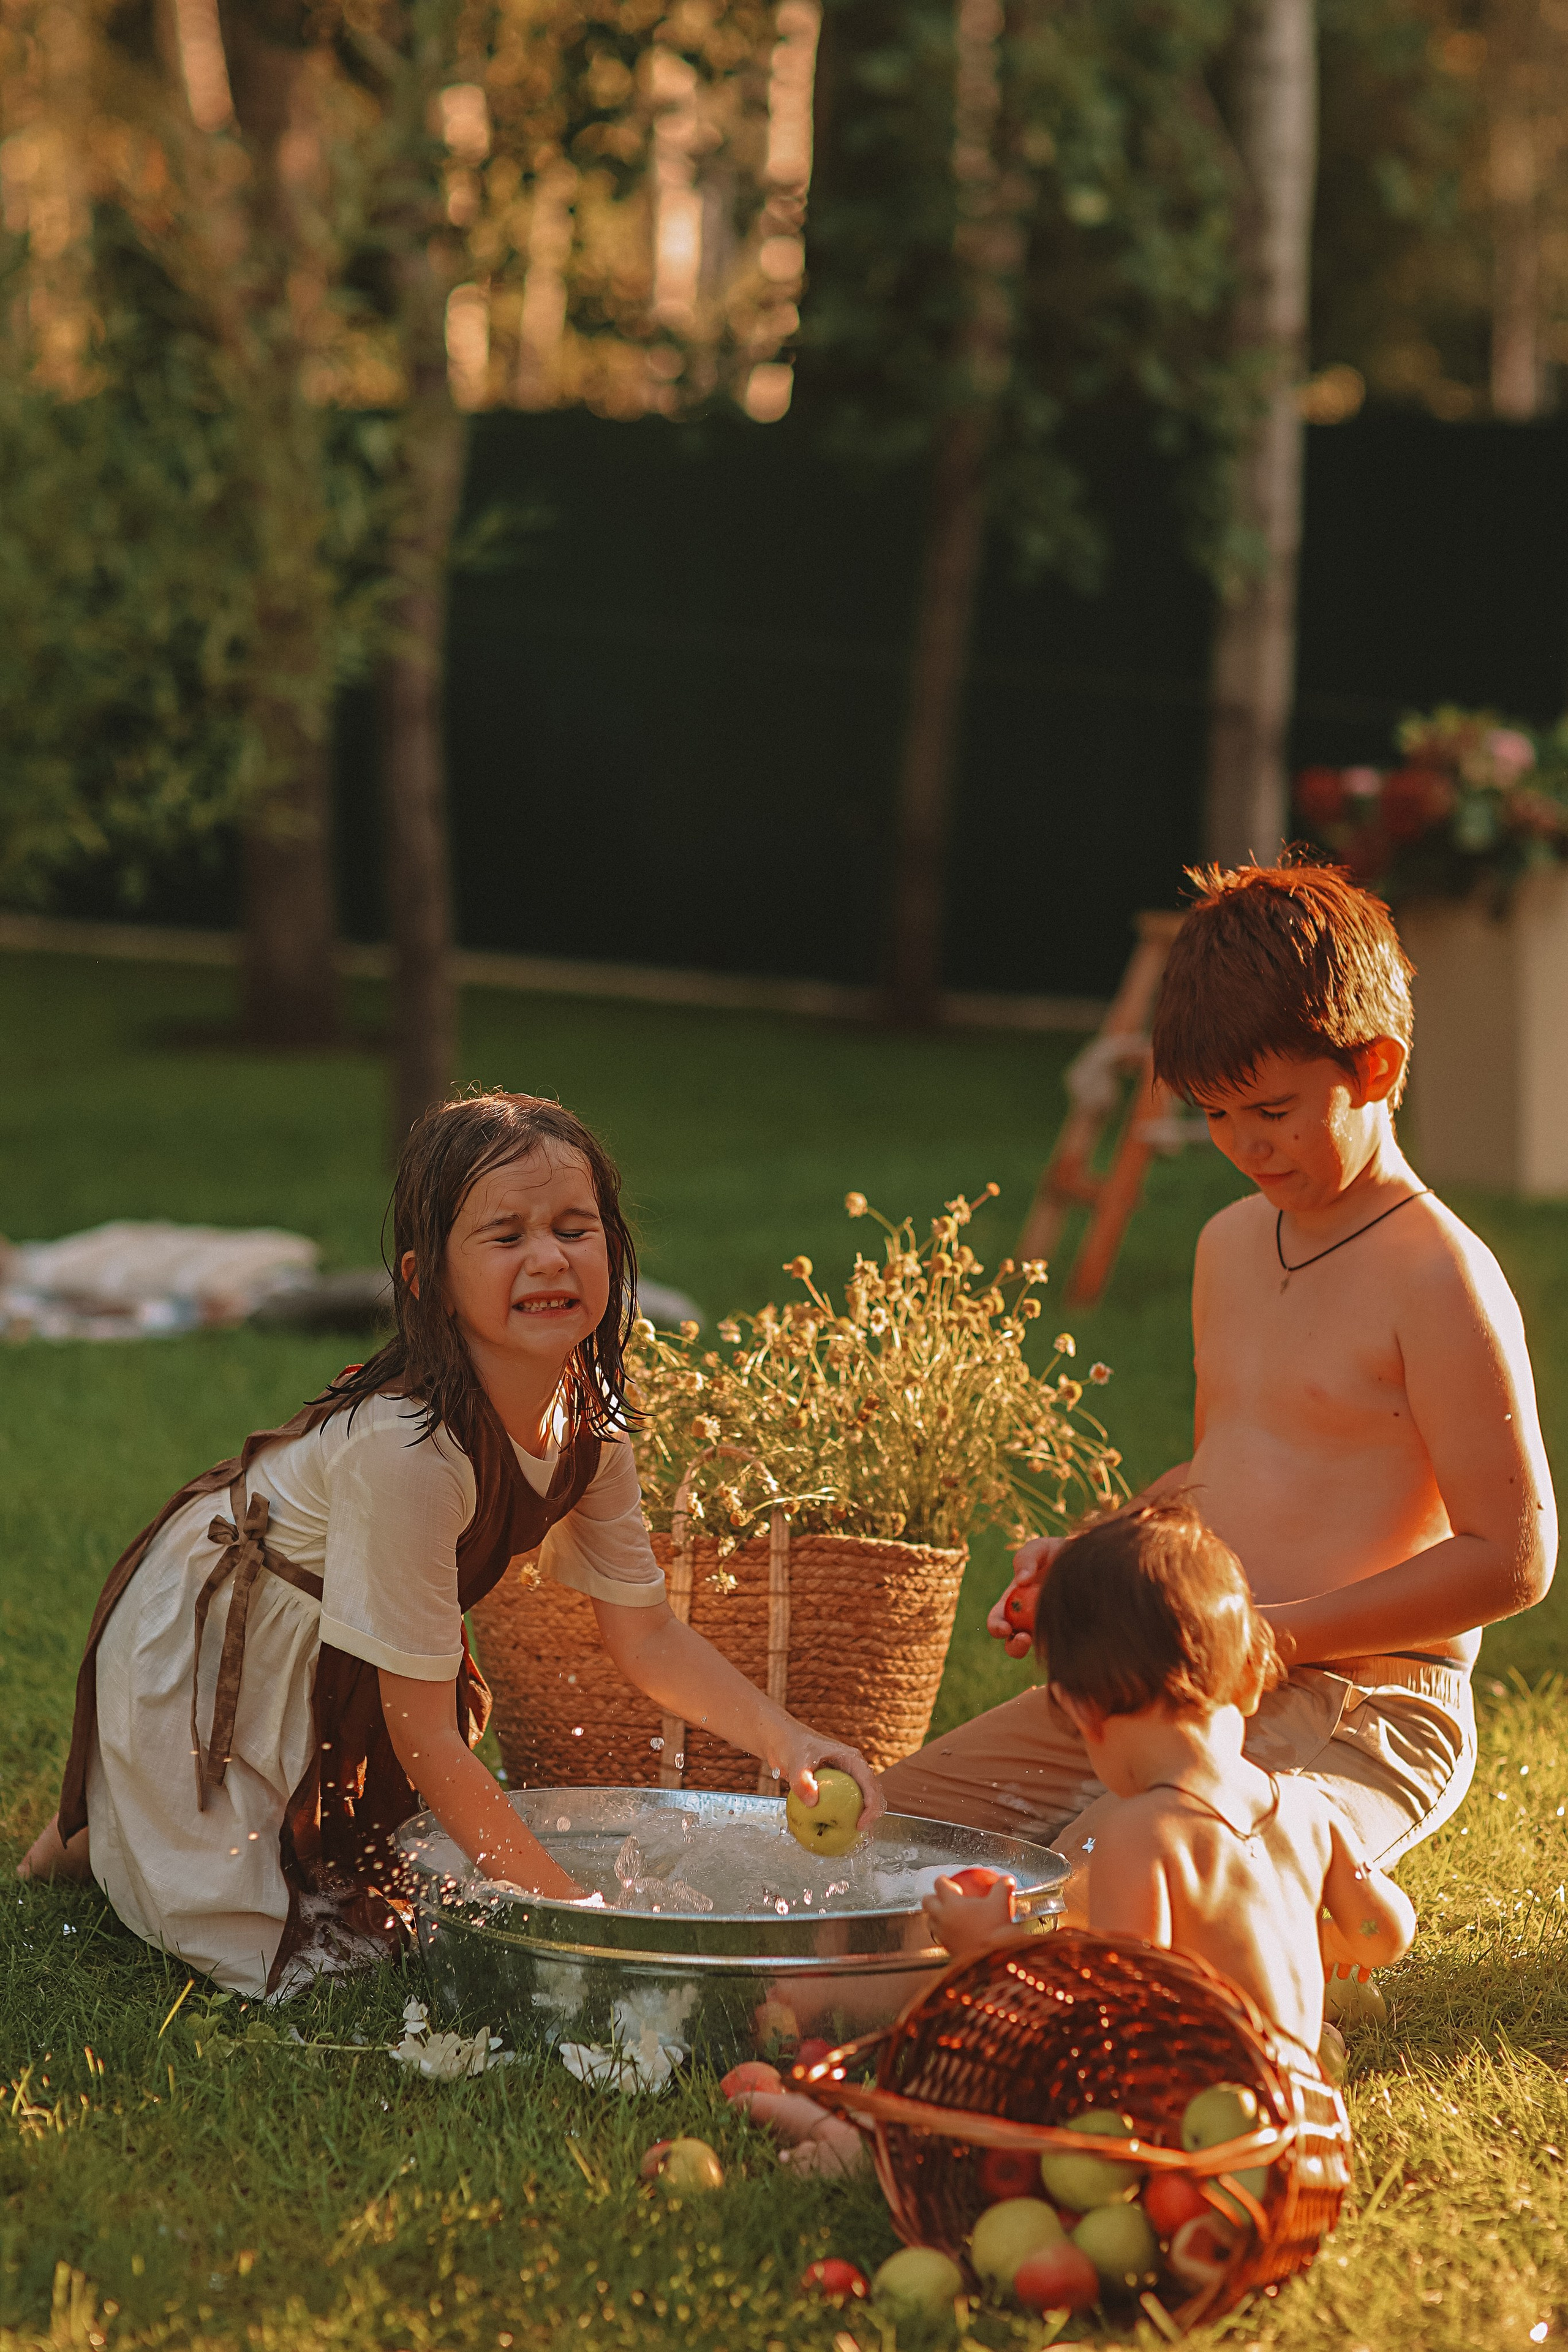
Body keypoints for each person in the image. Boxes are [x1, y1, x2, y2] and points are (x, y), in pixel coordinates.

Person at [18, 1091, 881, 1999]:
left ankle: (95, 1832)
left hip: (341, 1629)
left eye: (574, 1228)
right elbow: (425, 1732)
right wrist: (569, 1917)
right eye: (505, 1236)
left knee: (396, 1895)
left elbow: (648, 1637)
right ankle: (98, 1823)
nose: (547, 1257)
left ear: (615, 1254)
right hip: (225, 1622)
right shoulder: (410, 1454)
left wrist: (789, 1743)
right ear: (427, 1280)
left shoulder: (594, 1425)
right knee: (307, 1943)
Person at [880, 859, 1556, 1908]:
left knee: (1120, 1867)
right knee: (887, 1838)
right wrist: (1103, 1553)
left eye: (1274, 1110)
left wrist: (1276, 1636)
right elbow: (1227, 1472)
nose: (1245, 1145)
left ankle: (1315, 1921)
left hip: (1364, 1703)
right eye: (1217, 1115)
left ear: (1374, 1067)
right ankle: (1268, 1901)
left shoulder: (1436, 1274)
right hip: (1195, 1677)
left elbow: (1512, 1560)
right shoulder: (1230, 1245)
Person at [921, 1498, 1417, 2052]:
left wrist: (991, 1948)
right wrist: (1320, 1940)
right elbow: (1385, 1934)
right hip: (1305, 2110)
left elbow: (1115, 2018)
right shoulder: (1308, 1811)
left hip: (1203, 2115)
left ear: (1081, 1713)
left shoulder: (1141, 1835)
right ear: (1254, 1679)